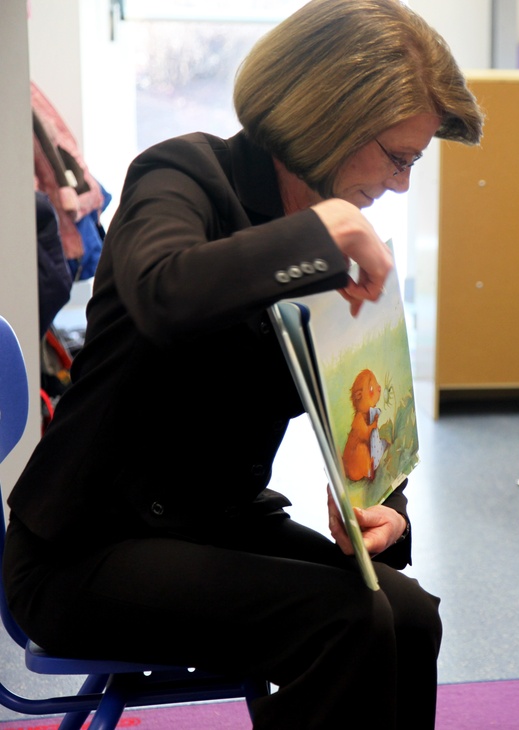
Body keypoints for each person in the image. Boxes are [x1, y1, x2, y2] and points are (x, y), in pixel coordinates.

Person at [3, 2, 483, 729]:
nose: (402, 185)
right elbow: (165, 291)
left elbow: (364, 418)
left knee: (407, 615)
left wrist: (390, 512)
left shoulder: (331, 244)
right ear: (334, 115)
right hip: (84, 550)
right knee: (343, 623)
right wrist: (321, 233)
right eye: (398, 156)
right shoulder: (183, 173)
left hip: (215, 527)